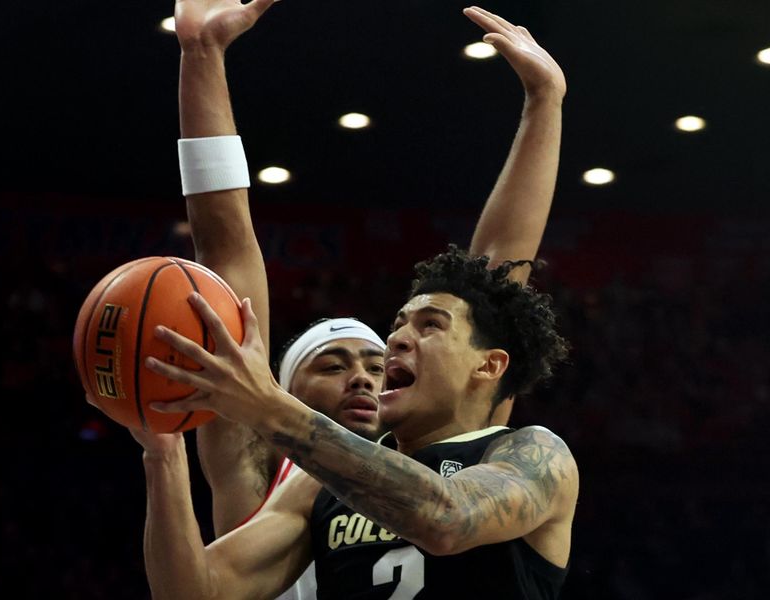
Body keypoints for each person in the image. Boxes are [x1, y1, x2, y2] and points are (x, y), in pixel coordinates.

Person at [123, 3, 577, 599]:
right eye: (333, 364)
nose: (377, 362)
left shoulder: (517, 450)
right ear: (275, 383)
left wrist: (545, 102)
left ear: (486, 369)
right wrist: (161, 446)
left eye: (372, 356)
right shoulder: (290, 475)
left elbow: (492, 285)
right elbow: (227, 252)